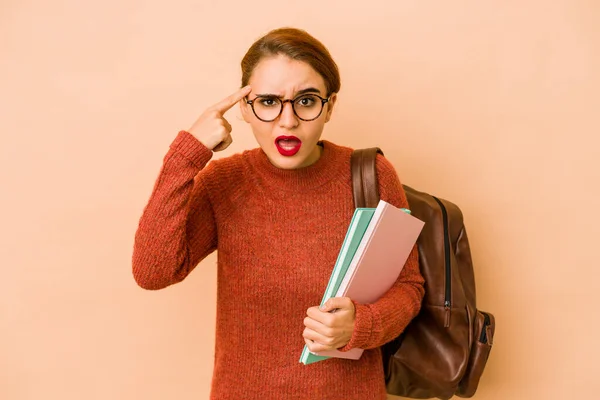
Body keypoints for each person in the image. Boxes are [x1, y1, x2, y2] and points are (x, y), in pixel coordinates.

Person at [132, 27, 425, 400]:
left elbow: (409, 288)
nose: (287, 121)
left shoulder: (371, 174)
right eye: (268, 102)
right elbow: (152, 271)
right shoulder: (223, 182)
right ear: (244, 109)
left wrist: (361, 325)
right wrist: (187, 154)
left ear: (329, 106)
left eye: (305, 101)